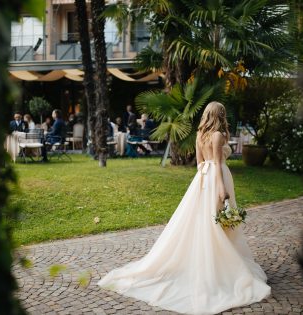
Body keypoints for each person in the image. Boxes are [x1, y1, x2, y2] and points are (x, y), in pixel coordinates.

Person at [98, 101, 271, 314]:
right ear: (220, 115)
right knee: (218, 222)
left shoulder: (200, 135)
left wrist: (204, 181)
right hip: (217, 179)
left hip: (202, 180)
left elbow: (200, 163)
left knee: (205, 220)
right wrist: (221, 189)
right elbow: (216, 163)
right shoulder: (217, 135)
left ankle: (209, 259)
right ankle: (217, 265)